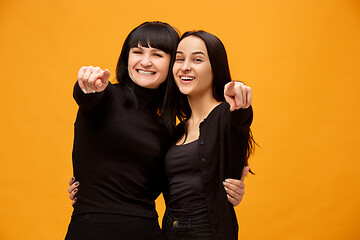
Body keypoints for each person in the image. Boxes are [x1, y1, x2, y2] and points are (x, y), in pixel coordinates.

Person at [65, 22, 248, 240]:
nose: (145, 61)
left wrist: (227, 187)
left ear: (171, 64)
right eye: (137, 52)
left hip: (147, 231)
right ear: (127, 58)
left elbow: (178, 181)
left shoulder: (169, 129)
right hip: (91, 229)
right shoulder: (105, 97)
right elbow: (86, 95)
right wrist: (86, 84)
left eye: (157, 54)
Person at [161, 31, 254, 240]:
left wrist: (239, 93)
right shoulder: (175, 131)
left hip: (208, 233)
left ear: (215, 67)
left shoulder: (226, 113)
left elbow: (241, 118)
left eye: (197, 59)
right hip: (169, 232)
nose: (185, 66)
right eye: (179, 59)